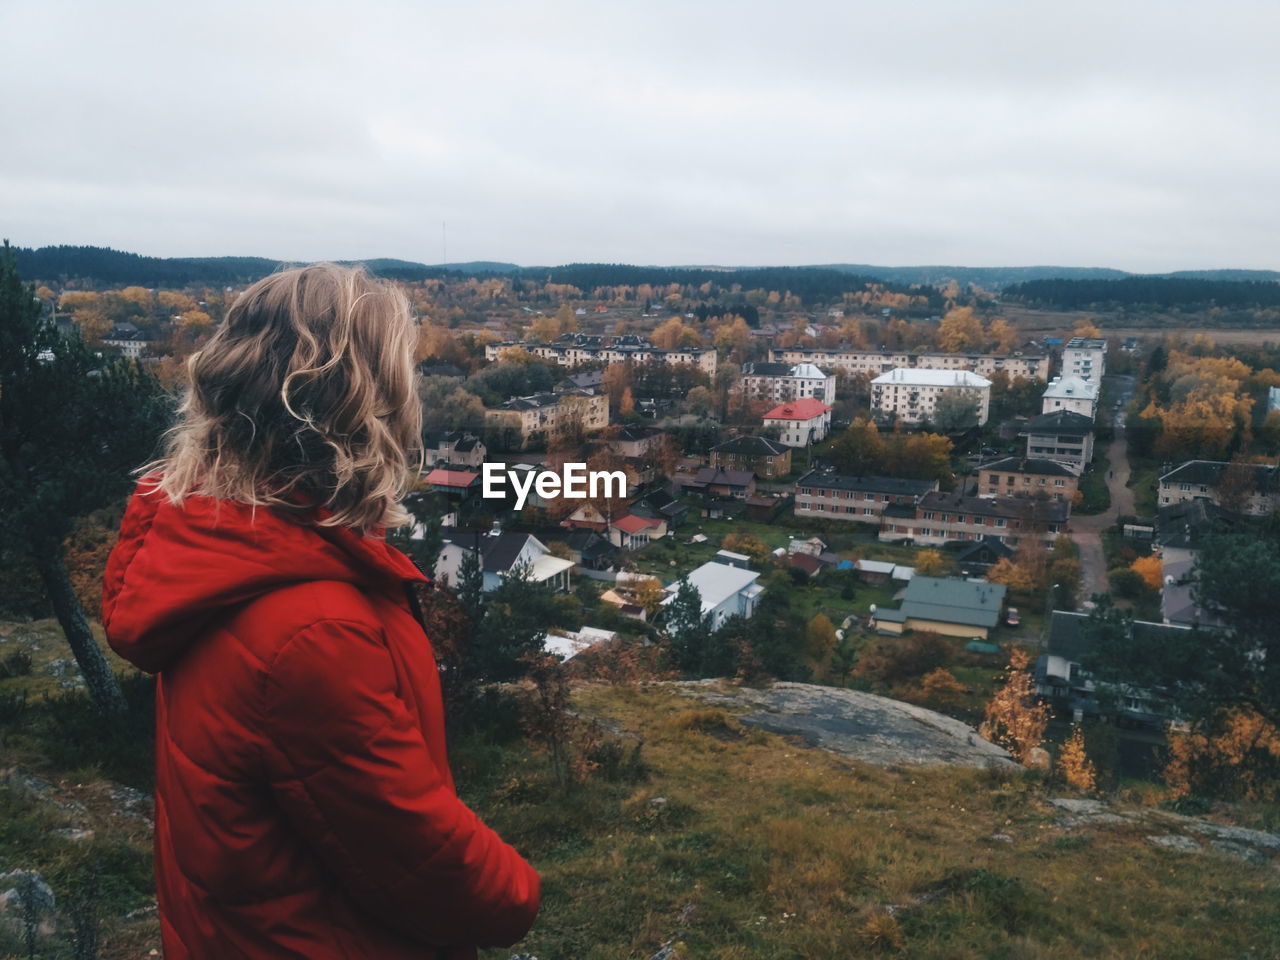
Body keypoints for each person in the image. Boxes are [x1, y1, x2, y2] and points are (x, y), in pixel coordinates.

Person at [101, 265, 540, 959]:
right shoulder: (309, 630)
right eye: (402, 381)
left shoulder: (223, 552)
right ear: (358, 408)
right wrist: (519, 892)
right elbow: (422, 864)